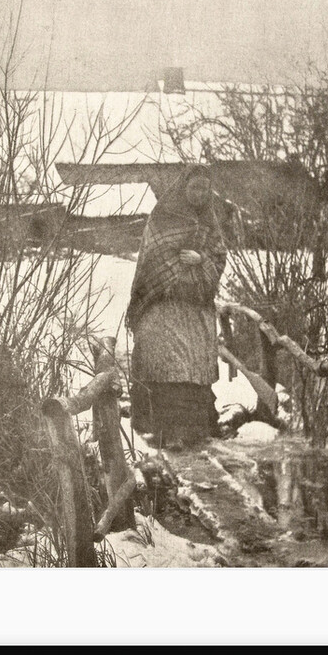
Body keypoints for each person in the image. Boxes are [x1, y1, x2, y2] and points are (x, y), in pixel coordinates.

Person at [126, 164, 228, 450]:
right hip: (163, 305)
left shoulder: (209, 220)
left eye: (205, 189)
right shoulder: (162, 216)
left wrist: (201, 259)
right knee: (167, 365)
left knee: (195, 366)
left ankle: (197, 429)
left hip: (196, 308)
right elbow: (153, 257)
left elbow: (219, 256)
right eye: (194, 187)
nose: (199, 193)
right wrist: (175, 272)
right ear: (183, 188)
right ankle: (167, 433)